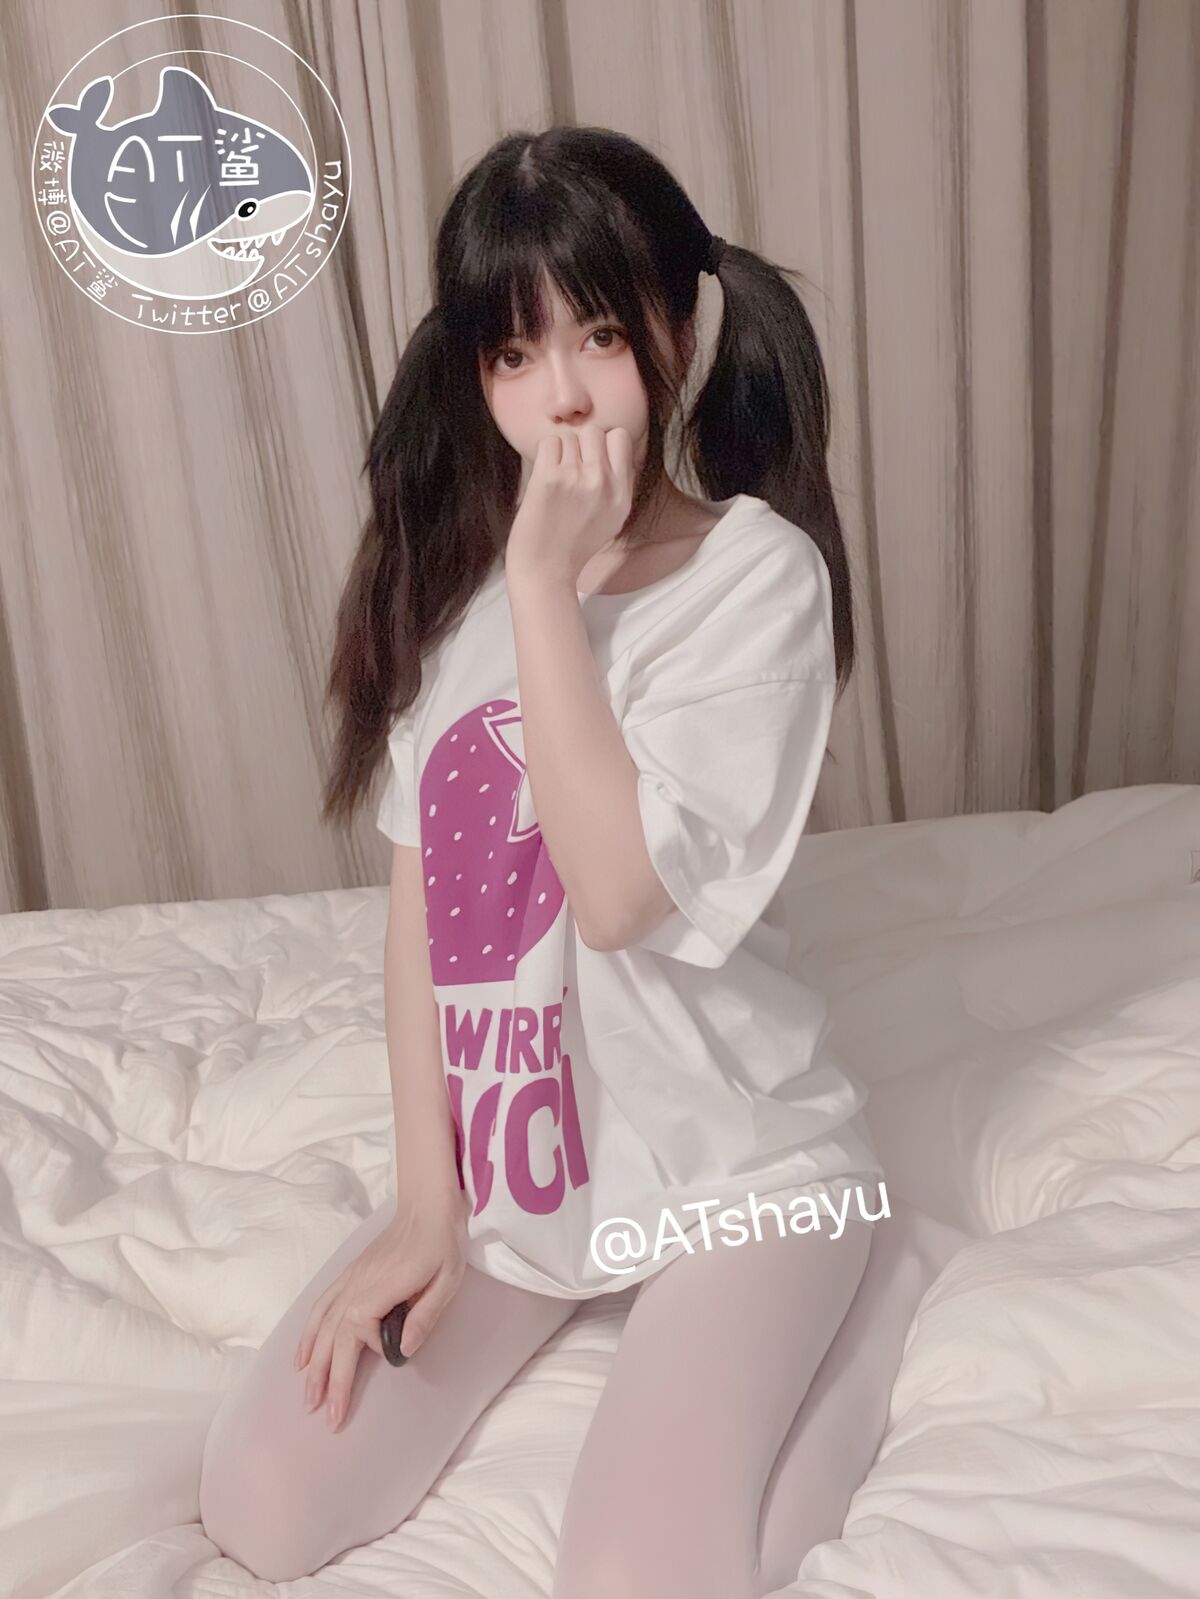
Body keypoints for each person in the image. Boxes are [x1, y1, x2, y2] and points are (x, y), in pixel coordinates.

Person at [198, 124, 970, 1597]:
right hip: (520, 1186)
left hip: (741, 1175)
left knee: (643, 1576)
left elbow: (615, 899)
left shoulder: (753, 577)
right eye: (513, 353)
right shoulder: (468, 600)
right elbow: (421, 915)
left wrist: (548, 585)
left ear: (678, 329)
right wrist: (426, 1206)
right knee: (262, 1501)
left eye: (600, 336)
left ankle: (880, 1267)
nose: (559, 394)